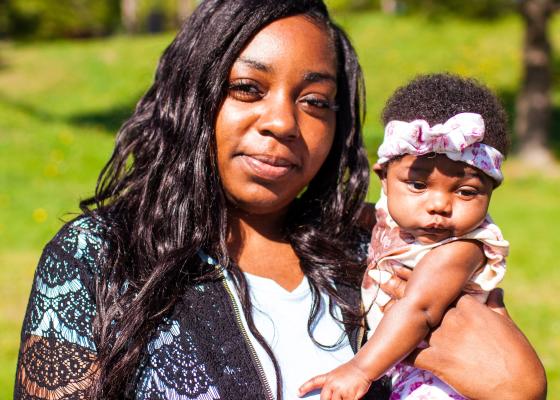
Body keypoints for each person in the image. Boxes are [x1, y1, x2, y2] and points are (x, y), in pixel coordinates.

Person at [14, 1, 546, 399]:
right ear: (193, 94)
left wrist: (520, 382)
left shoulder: (374, 250)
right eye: (247, 88)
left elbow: (497, 369)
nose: (283, 123)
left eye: (315, 101)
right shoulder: (98, 256)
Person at [298, 74, 538, 400]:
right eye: (418, 185)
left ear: (490, 192)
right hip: (405, 367)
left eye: (466, 191)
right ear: (385, 179)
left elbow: (420, 308)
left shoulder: (463, 248)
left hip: (445, 382)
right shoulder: (396, 214)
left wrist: (359, 369)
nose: (439, 205)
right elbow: (369, 215)